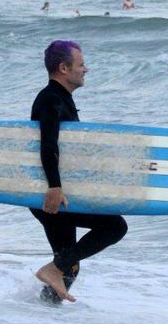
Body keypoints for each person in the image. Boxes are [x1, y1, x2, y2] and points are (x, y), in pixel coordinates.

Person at [31, 41, 127, 303]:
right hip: (51, 193)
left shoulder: (62, 99)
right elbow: (48, 144)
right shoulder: (50, 99)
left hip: (54, 191)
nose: (86, 69)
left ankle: (42, 313)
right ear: (64, 68)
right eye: (81, 64)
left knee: (68, 262)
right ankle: (49, 288)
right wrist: (54, 187)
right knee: (114, 226)